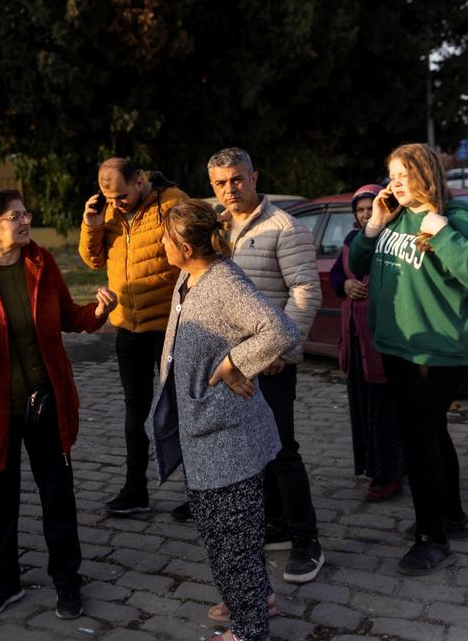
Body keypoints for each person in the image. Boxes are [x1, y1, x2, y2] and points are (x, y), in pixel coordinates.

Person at [0, 189, 116, 619]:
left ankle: (67, 582)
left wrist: (98, 312)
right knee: (0, 501)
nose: (24, 220)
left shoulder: (41, 262)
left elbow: (69, 315)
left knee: (58, 495)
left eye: (25, 212)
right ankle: (5, 581)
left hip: (45, 401)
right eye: (14, 215)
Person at [150, 199, 301, 641]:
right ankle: (252, 598)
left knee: (232, 538)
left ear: (182, 244)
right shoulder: (189, 275)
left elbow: (280, 331)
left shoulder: (222, 280)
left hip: (226, 434)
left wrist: (237, 363)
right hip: (204, 429)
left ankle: (250, 627)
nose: (161, 244)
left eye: (164, 238)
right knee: (222, 533)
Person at [349, 143, 468, 575]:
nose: (393, 182)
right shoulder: (394, 215)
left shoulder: (457, 217)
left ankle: (432, 537)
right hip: (397, 346)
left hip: (439, 352)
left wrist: (442, 231)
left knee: (418, 439)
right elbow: (358, 263)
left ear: (426, 174)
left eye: (402, 174)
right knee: (432, 432)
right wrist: (375, 224)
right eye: (390, 174)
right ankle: (450, 515)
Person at [206, 147, 323, 585]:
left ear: (255, 177)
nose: (229, 189)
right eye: (220, 183)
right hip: (232, 361)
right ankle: (274, 524)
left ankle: (307, 539)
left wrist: (282, 350)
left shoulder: (285, 228)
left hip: (271, 362)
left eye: (236, 179)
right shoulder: (217, 228)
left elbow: (306, 293)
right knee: (250, 452)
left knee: (280, 451)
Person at [79, 158, 187, 518]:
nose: (116, 204)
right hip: (127, 327)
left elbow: (196, 250)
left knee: (184, 409)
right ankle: (135, 489)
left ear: (140, 180)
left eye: (121, 196)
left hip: (169, 327)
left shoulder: (171, 203)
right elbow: (93, 260)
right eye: (109, 198)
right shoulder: (108, 214)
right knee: (134, 412)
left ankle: (200, 491)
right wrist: (91, 224)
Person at [328, 185, 404, 501]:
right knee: (362, 403)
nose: (363, 215)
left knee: (385, 407)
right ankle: (372, 467)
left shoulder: (393, 240)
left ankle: (391, 472)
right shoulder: (350, 241)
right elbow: (335, 275)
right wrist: (345, 284)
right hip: (356, 337)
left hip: (382, 338)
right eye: (359, 210)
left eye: (368, 208)